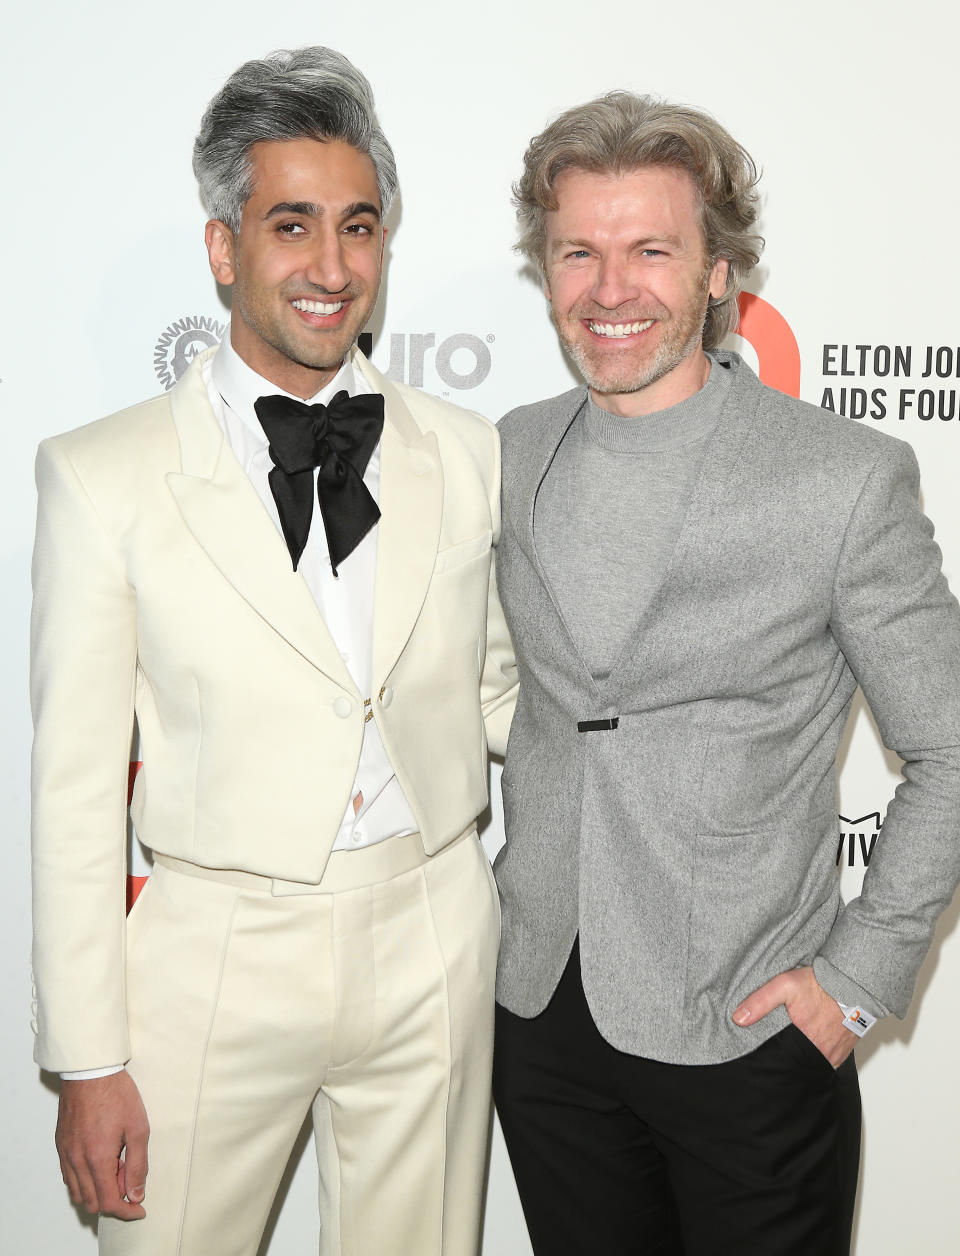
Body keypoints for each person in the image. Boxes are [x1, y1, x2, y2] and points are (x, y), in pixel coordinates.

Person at [30, 45, 516, 1256]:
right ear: (222, 246)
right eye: (291, 225)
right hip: (212, 948)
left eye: (359, 227)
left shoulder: (463, 450)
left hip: (434, 925)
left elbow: (504, 691)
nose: (332, 267)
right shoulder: (102, 477)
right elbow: (78, 785)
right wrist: (88, 1058)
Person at [490, 91, 960, 1255]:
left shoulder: (840, 478)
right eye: (578, 253)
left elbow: (950, 745)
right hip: (540, 1015)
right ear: (544, 269)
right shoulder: (503, 451)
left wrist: (856, 979)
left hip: (748, 1029)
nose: (611, 289)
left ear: (718, 272)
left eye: (652, 249)